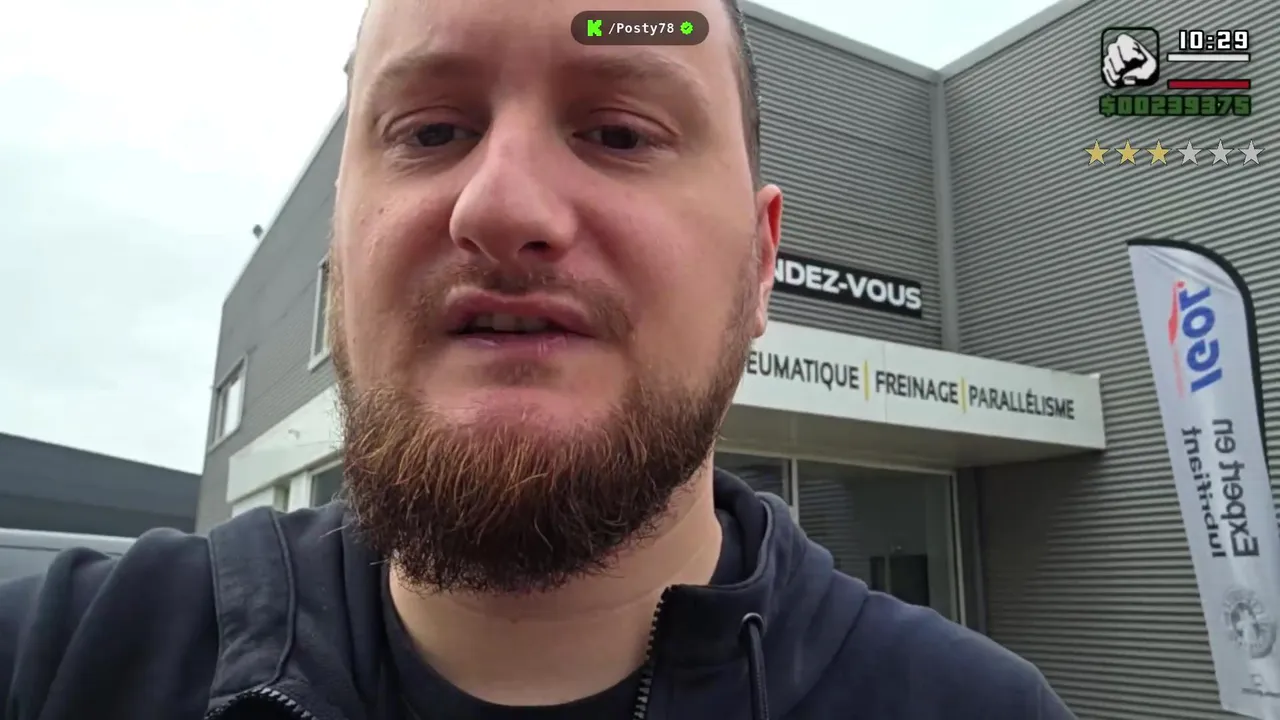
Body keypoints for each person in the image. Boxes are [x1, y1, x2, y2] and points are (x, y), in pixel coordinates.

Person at [0, 0, 1077, 717]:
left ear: (759, 265)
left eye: (619, 132)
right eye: (430, 131)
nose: (502, 205)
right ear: (338, 251)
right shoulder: (61, 662)